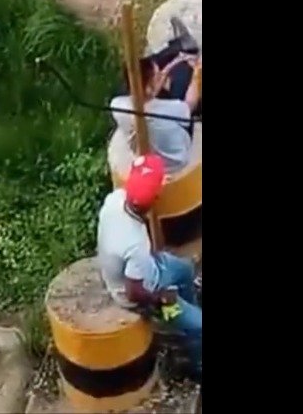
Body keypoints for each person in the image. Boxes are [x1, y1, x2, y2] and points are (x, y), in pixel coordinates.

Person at [96, 154, 202, 381]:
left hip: (148, 269)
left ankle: (187, 322)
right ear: (153, 199)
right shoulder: (137, 248)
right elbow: (134, 291)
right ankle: (196, 364)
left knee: (184, 269)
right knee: (200, 325)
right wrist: (162, 297)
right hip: (141, 295)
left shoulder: (116, 199)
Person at [109, 53, 200, 173]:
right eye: (158, 76)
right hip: (175, 161)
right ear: (148, 87)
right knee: (184, 87)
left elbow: (148, 93)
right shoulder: (166, 109)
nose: (162, 77)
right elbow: (190, 104)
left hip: (147, 154)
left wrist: (173, 64)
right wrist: (197, 74)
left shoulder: (117, 105)